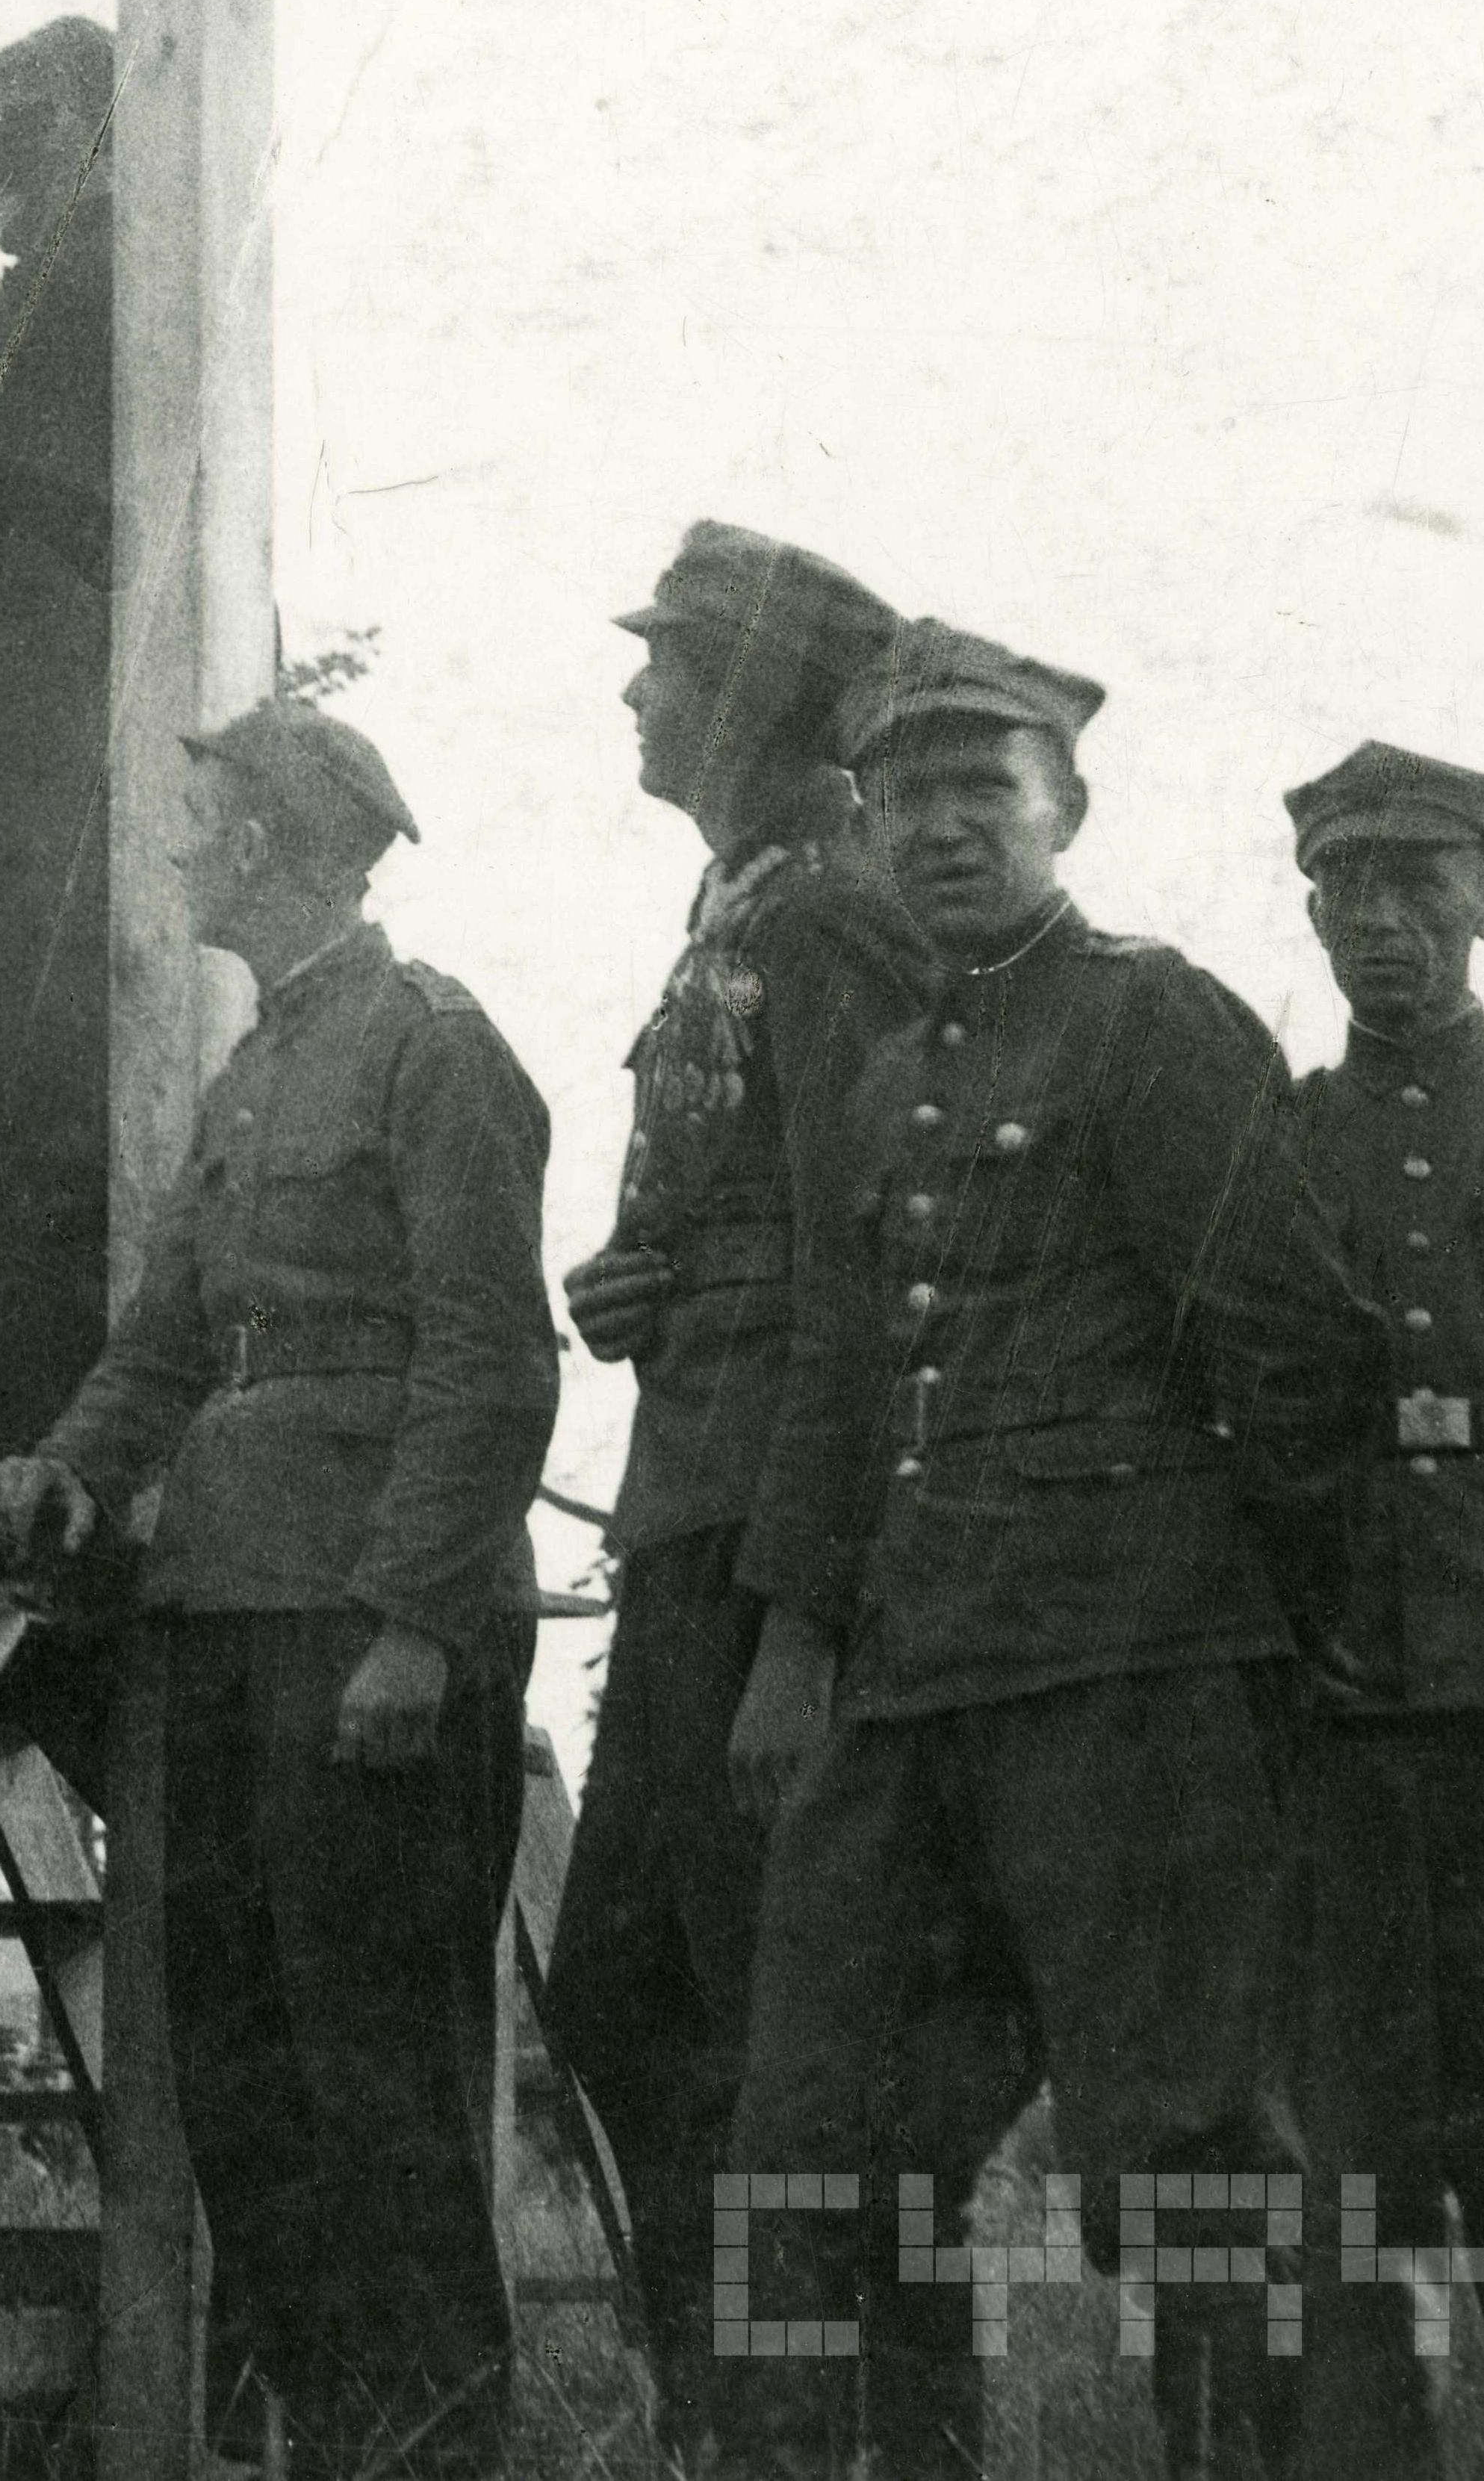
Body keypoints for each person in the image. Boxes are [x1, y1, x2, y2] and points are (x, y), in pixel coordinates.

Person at [723, 624, 1376, 2481]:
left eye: (981, 791)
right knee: (818, 2129)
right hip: (919, 1677)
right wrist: (799, 1638)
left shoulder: (1152, 1020)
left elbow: (1295, 1347)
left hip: (1136, 1674)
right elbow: (843, 1385)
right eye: (904, 795)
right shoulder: (874, 1078)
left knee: (1180, 2144)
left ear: (1065, 808)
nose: (941, 828)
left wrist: (1255, 1641)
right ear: (863, 821)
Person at [0, 699, 557, 2481]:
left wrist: (414, 1622)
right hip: (215, 1622)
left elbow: (494, 1363)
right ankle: (339, 2439)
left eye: (209, 817)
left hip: (359, 1625)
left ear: (299, 840)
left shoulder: (432, 1047)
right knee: (239, 2068)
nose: (178, 847)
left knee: (381, 2070)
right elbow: (162, 1344)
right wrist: (65, 1465)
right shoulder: (247, 1073)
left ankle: (446, 2447)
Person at [544, 524, 925, 2464]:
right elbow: (722, 1227)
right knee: (628, 1988)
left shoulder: (830, 921)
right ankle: (728, 2410)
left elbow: (861, 1283)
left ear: (759, 701)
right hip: (681, 1524)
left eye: (668, 665)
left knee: (747, 2023)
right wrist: (623, 1288)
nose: (634, 691)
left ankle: (787, 2421)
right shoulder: (732, 904)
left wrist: (801, 1619)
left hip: (761, 1560)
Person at [1261, 740, 1484, 2481]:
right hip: (1337, 1711)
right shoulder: (1274, 1143)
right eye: (1349, 888)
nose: (1383, 919)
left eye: (1420, 884)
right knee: (1350, 2155)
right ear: (1312, 910)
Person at [0, 19, 122, 1453]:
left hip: (62, 754)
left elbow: (26, 507)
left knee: (37, 1114)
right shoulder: (70, 271)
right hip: (41, 747)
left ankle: (24, 1444)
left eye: (20, 149)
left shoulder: (89, 270)